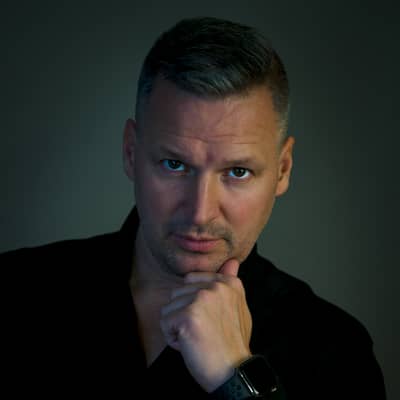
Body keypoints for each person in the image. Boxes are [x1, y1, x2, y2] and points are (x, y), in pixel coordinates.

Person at [1, 16, 386, 399]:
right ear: (131, 152)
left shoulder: (337, 350)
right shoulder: (14, 291)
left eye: (237, 171)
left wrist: (235, 375)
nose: (201, 213)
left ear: (283, 170)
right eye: (174, 164)